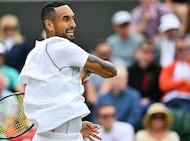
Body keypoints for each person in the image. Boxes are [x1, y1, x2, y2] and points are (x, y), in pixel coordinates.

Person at [19, 1, 117, 141]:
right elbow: (111, 71)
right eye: (66, 19)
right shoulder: (61, 46)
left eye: (72, 18)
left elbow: (54, 92)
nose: (73, 24)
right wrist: (88, 70)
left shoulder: (36, 52)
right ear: (49, 25)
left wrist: (75, 127)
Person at [84, 39, 124, 121]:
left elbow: (120, 84)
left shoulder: (119, 63)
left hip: (118, 99)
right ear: (96, 53)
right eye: (102, 53)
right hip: (97, 104)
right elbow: (91, 96)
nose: (105, 55)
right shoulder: (91, 66)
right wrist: (101, 102)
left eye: (107, 52)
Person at [128, 39, 162, 113]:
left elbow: (159, 91)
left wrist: (149, 99)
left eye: (151, 52)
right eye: (145, 52)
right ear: (138, 52)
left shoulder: (158, 70)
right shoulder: (130, 70)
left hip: (153, 103)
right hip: (134, 102)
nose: (148, 55)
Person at [159, 36, 190, 113]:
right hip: (170, 99)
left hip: (187, 99)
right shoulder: (169, 66)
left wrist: (175, 84)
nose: (184, 52)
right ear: (176, 51)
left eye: (187, 48)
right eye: (181, 49)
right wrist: (183, 82)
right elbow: (164, 85)